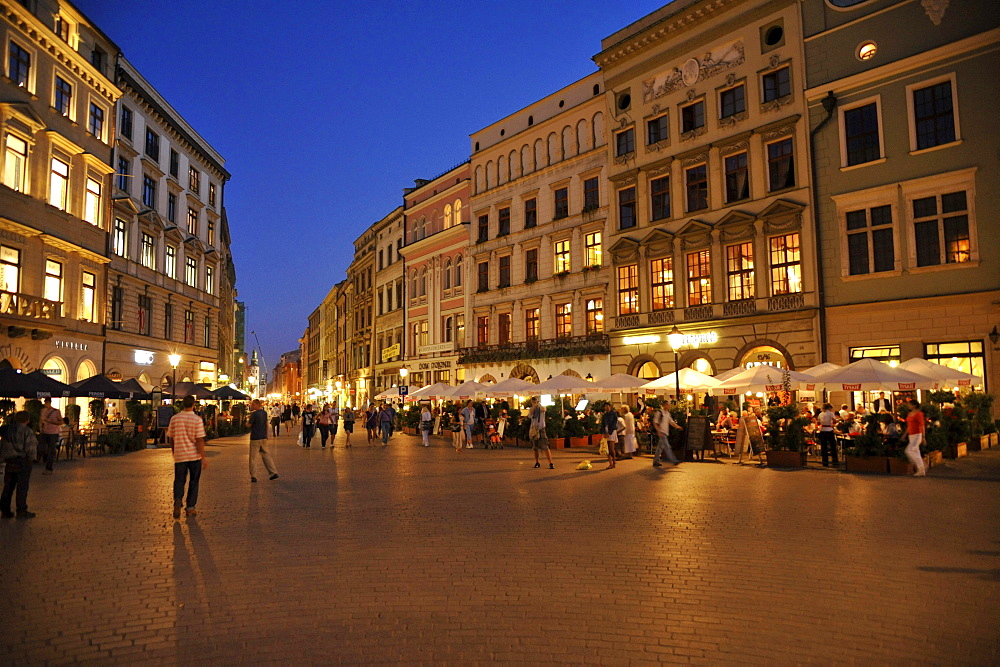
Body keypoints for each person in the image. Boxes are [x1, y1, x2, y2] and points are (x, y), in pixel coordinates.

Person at [167, 395, 208, 518]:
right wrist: (203, 456)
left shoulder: (175, 419)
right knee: (194, 481)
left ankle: (178, 499)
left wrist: (174, 451)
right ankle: (190, 508)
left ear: (183, 404)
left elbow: (171, 437)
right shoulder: (197, 419)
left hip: (180, 456)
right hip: (194, 456)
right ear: (193, 404)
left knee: (179, 480)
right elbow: (199, 439)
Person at [1, 411, 38, 519]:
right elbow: (31, 448)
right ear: (27, 420)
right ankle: (21, 511)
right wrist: (31, 459)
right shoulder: (27, 431)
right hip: (23, 461)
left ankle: (5, 510)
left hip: (9, 461)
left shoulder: (7, 430)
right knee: (22, 487)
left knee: (8, 487)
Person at [247, 399, 278, 483]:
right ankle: (273, 472)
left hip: (255, 438)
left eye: (252, 404)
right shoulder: (264, 413)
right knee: (266, 455)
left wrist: (247, 422)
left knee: (253, 458)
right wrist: (266, 435)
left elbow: (248, 425)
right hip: (263, 437)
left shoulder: (254, 414)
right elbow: (266, 424)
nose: (251, 406)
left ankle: (253, 476)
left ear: (257, 405)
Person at [903, 400, 927, 477]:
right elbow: (909, 425)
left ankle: (921, 466)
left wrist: (923, 436)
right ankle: (921, 469)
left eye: (909, 404)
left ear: (914, 405)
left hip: (917, 434)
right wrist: (905, 435)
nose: (908, 406)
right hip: (911, 434)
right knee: (916, 452)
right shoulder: (910, 414)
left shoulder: (919, 414)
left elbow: (922, 425)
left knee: (909, 450)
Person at [38, 398, 62, 474]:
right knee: (42, 448)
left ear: (50, 402)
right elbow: (41, 420)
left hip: (53, 433)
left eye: (47, 402)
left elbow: (61, 421)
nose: (46, 404)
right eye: (45, 403)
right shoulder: (43, 411)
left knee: (50, 450)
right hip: (44, 432)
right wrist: (41, 428)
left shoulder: (56, 411)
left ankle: (49, 467)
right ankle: (47, 461)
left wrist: (51, 421)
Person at [528, 397, 553, 469]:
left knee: (545, 446)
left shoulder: (541, 408)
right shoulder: (531, 409)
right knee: (535, 447)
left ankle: (550, 462)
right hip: (534, 430)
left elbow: (544, 409)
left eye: (535, 401)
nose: (534, 403)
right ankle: (537, 462)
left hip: (541, 429)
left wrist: (538, 405)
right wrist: (533, 406)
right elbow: (530, 414)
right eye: (533, 402)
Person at [817, 403, 838, 467]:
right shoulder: (831, 413)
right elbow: (834, 421)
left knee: (824, 447)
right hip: (829, 430)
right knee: (833, 446)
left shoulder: (820, 414)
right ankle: (835, 461)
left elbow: (818, 422)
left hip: (822, 430)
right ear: (829, 408)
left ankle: (825, 462)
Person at [601, 403, 619, 470]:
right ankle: (610, 463)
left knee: (611, 448)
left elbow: (614, 423)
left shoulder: (614, 414)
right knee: (607, 448)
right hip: (606, 432)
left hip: (612, 432)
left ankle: (614, 462)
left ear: (610, 407)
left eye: (607, 406)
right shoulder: (604, 415)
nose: (606, 408)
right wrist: (603, 432)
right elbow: (603, 424)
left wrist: (609, 432)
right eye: (605, 407)